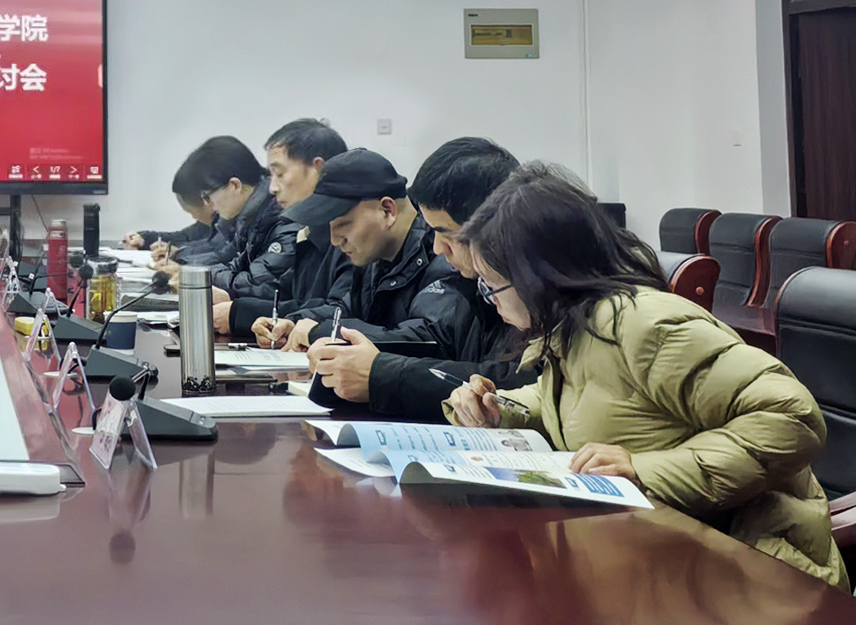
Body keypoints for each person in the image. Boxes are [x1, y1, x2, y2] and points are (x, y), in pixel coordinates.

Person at [445, 165, 848, 591]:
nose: (490, 301)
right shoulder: (575, 330)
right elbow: (588, 399)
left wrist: (643, 469)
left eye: (492, 286)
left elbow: (792, 418)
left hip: (751, 573)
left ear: (538, 277)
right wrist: (501, 410)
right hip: (661, 558)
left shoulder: (645, 327)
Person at [310, 138, 528, 419]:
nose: (437, 248)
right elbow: (447, 346)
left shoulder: (538, 292)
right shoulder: (474, 283)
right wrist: (348, 353)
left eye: (445, 233)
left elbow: (522, 381)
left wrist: (379, 374)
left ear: (492, 227)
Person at [262, 148, 474, 353]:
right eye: (330, 226)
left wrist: (322, 333)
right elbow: (346, 310)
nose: (335, 240)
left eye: (344, 224)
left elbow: (427, 338)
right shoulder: (375, 255)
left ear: (387, 210)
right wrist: (294, 323)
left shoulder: (444, 254)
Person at [224, 119, 352, 337]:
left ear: (318, 169)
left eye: (280, 174)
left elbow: (341, 311)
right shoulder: (309, 230)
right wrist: (232, 301)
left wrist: (239, 312)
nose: (272, 188)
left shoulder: (350, 235)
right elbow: (285, 292)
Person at [154, 137, 293, 303]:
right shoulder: (249, 218)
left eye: (207, 196)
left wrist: (194, 275)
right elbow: (229, 260)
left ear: (235, 185)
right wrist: (187, 270)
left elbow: (256, 281)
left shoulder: (278, 215)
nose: (208, 204)